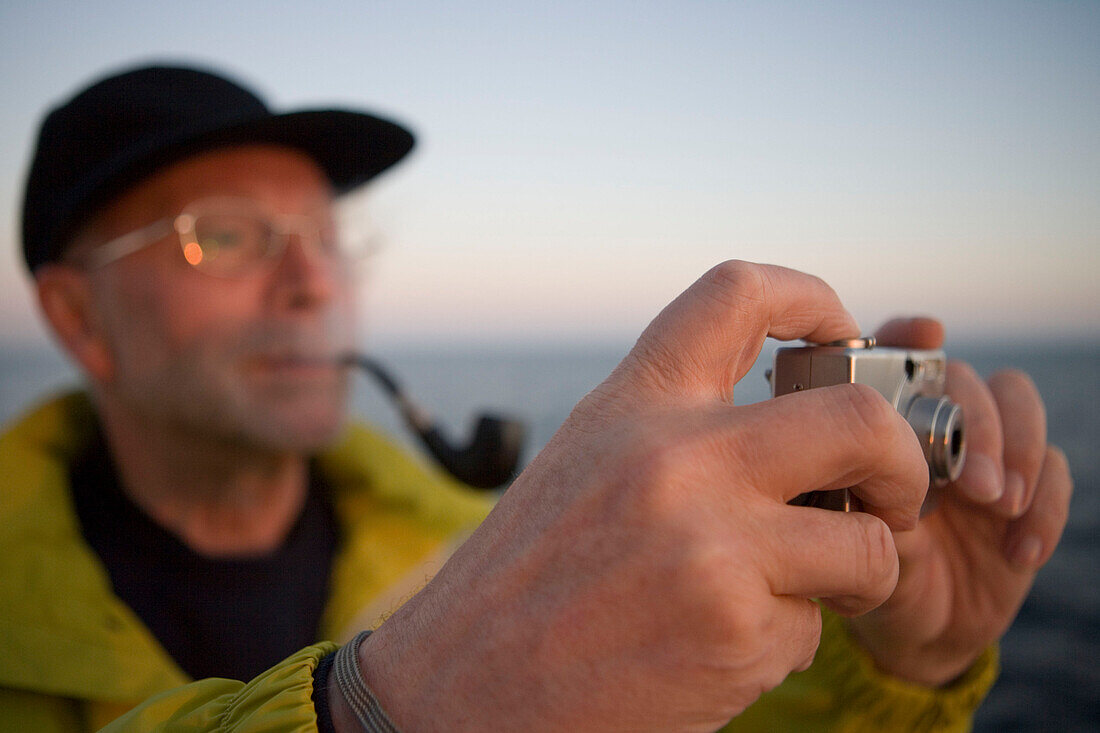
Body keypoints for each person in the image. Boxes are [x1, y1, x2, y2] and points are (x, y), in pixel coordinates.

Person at [0, 63, 1072, 732]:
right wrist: (393, 708)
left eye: (326, 236)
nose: (314, 281)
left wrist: (894, 673)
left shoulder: (467, 546)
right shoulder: (483, 601)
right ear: (77, 318)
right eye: (225, 235)